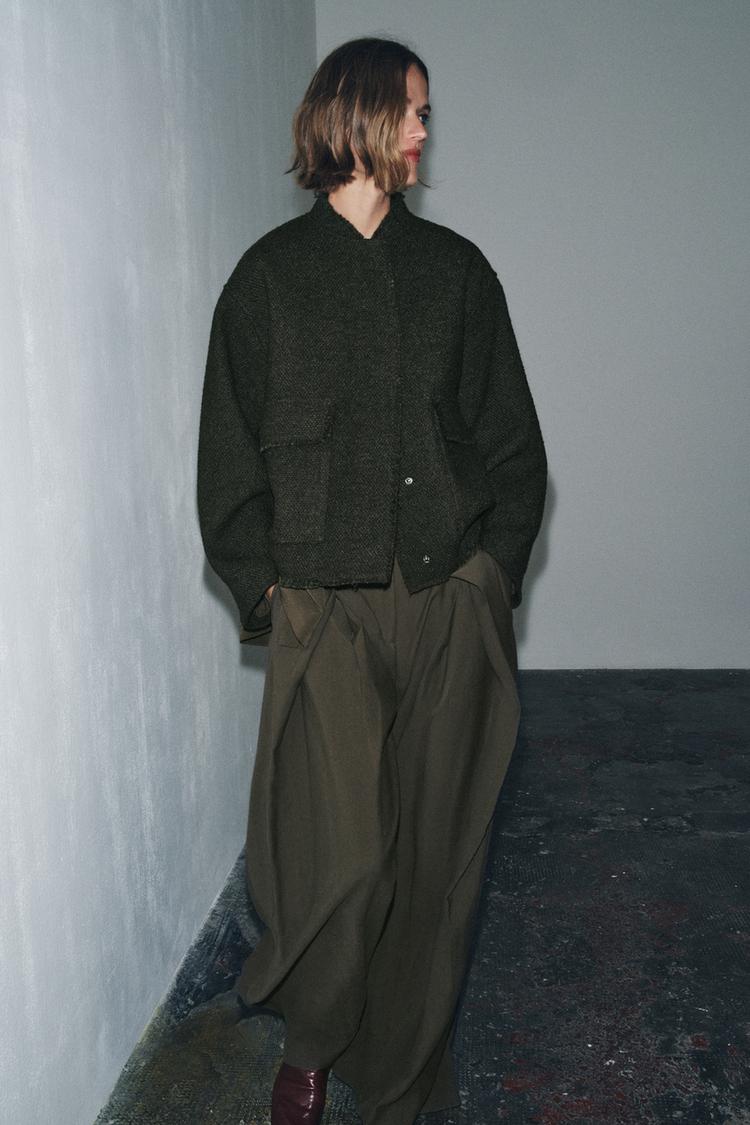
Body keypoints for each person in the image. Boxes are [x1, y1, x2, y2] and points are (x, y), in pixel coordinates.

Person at [197, 36, 547, 1125]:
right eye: (414, 111)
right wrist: (270, 592)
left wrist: (490, 580)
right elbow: (226, 460)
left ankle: (401, 1082)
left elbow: (512, 446)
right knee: (340, 861)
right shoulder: (268, 281)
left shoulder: (457, 275)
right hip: (325, 611)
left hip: (446, 605)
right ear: (355, 115)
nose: (425, 132)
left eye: (426, 115)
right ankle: (312, 1042)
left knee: (436, 864)